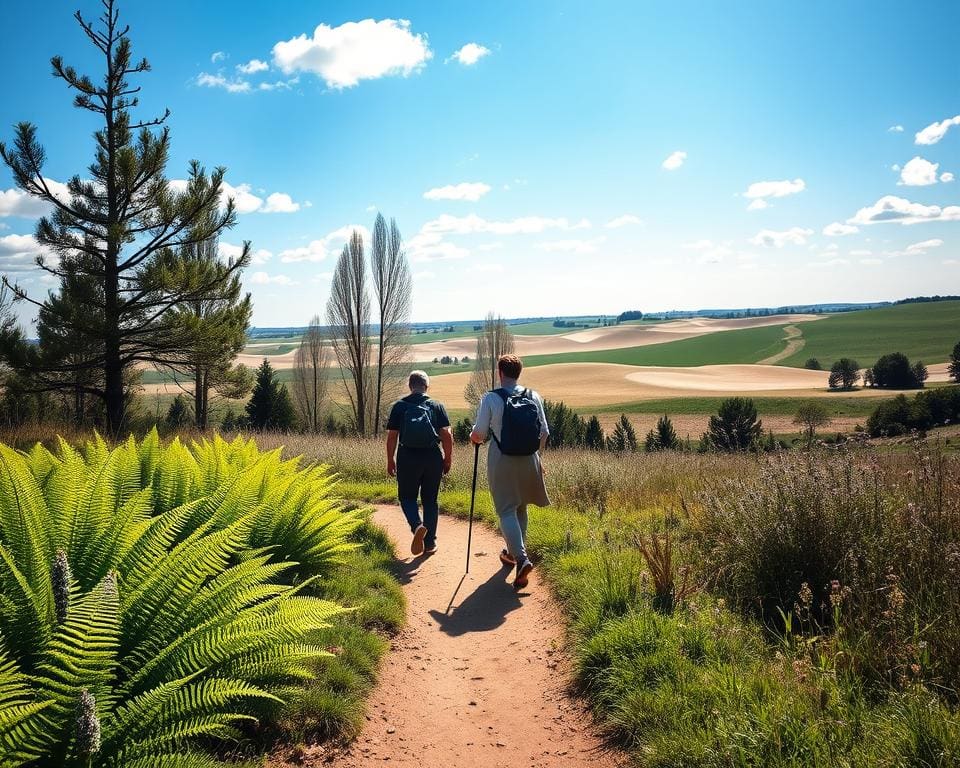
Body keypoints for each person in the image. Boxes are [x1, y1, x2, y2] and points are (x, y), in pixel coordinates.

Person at [470, 354, 550, 590]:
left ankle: (522, 558)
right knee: (521, 507)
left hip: (502, 459)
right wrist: (537, 457)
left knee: (506, 510)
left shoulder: (491, 398)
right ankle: (513, 555)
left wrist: (472, 436)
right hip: (529, 459)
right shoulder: (533, 396)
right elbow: (544, 431)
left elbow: (480, 434)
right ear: (519, 372)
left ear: (500, 372)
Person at [386, 370, 453, 556]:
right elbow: (446, 436)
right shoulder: (436, 405)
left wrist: (390, 459)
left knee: (407, 498)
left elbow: (392, 437)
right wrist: (447, 459)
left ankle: (417, 526)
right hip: (432, 457)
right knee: (430, 500)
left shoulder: (400, 406)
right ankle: (430, 543)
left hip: (408, 456)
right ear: (426, 386)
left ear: (410, 386)